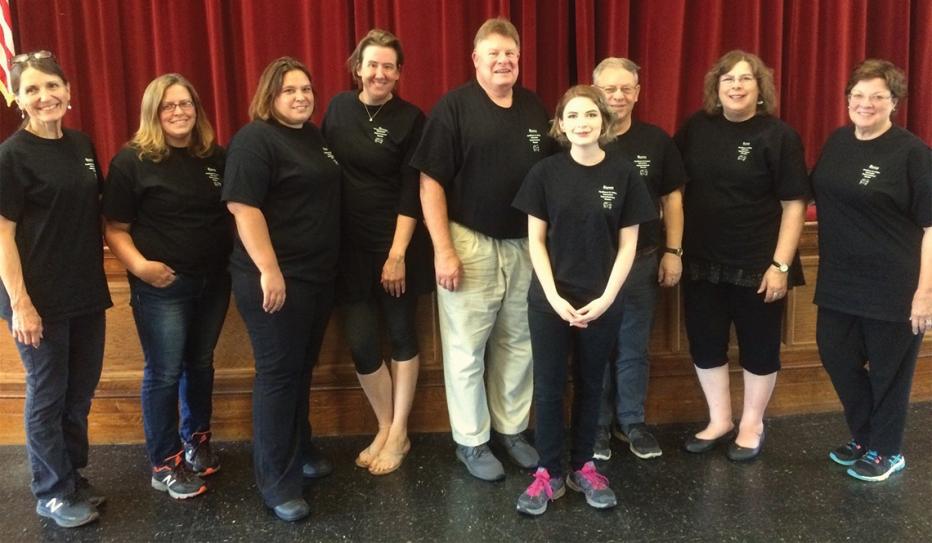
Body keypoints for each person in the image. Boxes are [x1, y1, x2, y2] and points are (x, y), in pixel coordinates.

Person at [411, 17, 556, 481]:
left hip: (524, 245)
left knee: (519, 341)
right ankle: (472, 441)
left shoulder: (536, 109)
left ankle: (511, 430)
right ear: (475, 59)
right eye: (493, 53)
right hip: (468, 241)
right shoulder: (453, 108)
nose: (503, 60)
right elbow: (429, 181)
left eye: (510, 53)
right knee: (466, 348)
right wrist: (443, 250)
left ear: (519, 59)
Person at [512, 85, 656, 516]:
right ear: (560, 124)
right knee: (551, 385)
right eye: (572, 116)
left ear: (603, 122)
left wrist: (608, 296)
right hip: (550, 300)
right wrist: (554, 296)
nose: (582, 123)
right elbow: (535, 241)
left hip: (603, 300)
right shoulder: (544, 174)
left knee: (593, 383)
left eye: (590, 115)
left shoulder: (625, 174)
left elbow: (628, 245)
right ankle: (548, 472)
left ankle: (583, 466)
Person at [102, 74, 232, 499]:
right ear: (153, 113)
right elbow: (115, 228)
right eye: (168, 106)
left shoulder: (214, 157)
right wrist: (142, 268)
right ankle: (164, 463)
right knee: (164, 373)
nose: (179, 112)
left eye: (186, 104)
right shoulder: (131, 162)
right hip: (162, 287)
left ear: (197, 109)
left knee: (201, 363)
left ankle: (197, 444)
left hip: (214, 281)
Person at [222, 57, 340, 522]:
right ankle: (277, 483)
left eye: (307, 89)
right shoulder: (255, 139)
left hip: (316, 277)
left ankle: (301, 450)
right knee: (277, 376)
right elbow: (243, 206)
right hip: (273, 281)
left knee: (300, 370)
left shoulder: (312, 137)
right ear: (269, 95)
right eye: (290, 90)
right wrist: (269, 270)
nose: (301, 97)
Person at [674, 50, 808, 461]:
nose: (736, 85)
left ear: (759, 88)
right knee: (706, 343)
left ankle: (752, 423)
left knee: (759, 346)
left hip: (759, 264)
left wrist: (781, 265)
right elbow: (674, 190)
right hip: (701, 261)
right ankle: (720, 420)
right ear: (716, 86)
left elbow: (794, 205)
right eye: (728, 78)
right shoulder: (695, 128)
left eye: (745, 79)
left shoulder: (779, 136)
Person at [0, 50, 112, 528]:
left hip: (85, 290)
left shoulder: (82, 145)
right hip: (37, 300)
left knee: (79, 392)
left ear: (68, 91)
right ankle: (51, 491)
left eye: (52, 86)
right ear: (19, 100)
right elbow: (2, 233)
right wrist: (21, 304)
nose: (44, 96)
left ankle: (70, 475)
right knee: (48, 394)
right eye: (32, 90)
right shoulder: (10, 156)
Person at [811, 59, 932, 482]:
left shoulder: (912, 153)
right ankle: (865, 436)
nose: (866, 104)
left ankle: (887, 450)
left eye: (877, 96)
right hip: (839, 281)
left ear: (893, 103)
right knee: (836, 356)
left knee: (889, 373)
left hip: (893, 286)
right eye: (858, 96)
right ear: (847, 100)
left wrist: (925, 293)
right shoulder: (839, 142)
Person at [322, 29, 432, 476]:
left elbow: (413, 191)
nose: (380, 73)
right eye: (373, 64)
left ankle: (401, 429)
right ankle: (385, 426)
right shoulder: (336, 108)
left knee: (403, 336)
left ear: (399, 72)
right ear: (357, 68)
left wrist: (397, 253)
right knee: (363, 343)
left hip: (396, 247)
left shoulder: (411, 118)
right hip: (347, 251)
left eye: (389, 66)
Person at [592, 57, 687, 461]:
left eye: (625, 88)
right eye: (609, 89)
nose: (617, 96)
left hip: (644, 261)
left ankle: (630, 421)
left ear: (637, 92)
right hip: (590, 266)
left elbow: (673, 200)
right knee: (593, 347)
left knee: (633, 346)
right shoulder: (579, 136)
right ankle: (594, 424)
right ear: (595, 91)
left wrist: (673, 251)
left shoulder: (655, 140)